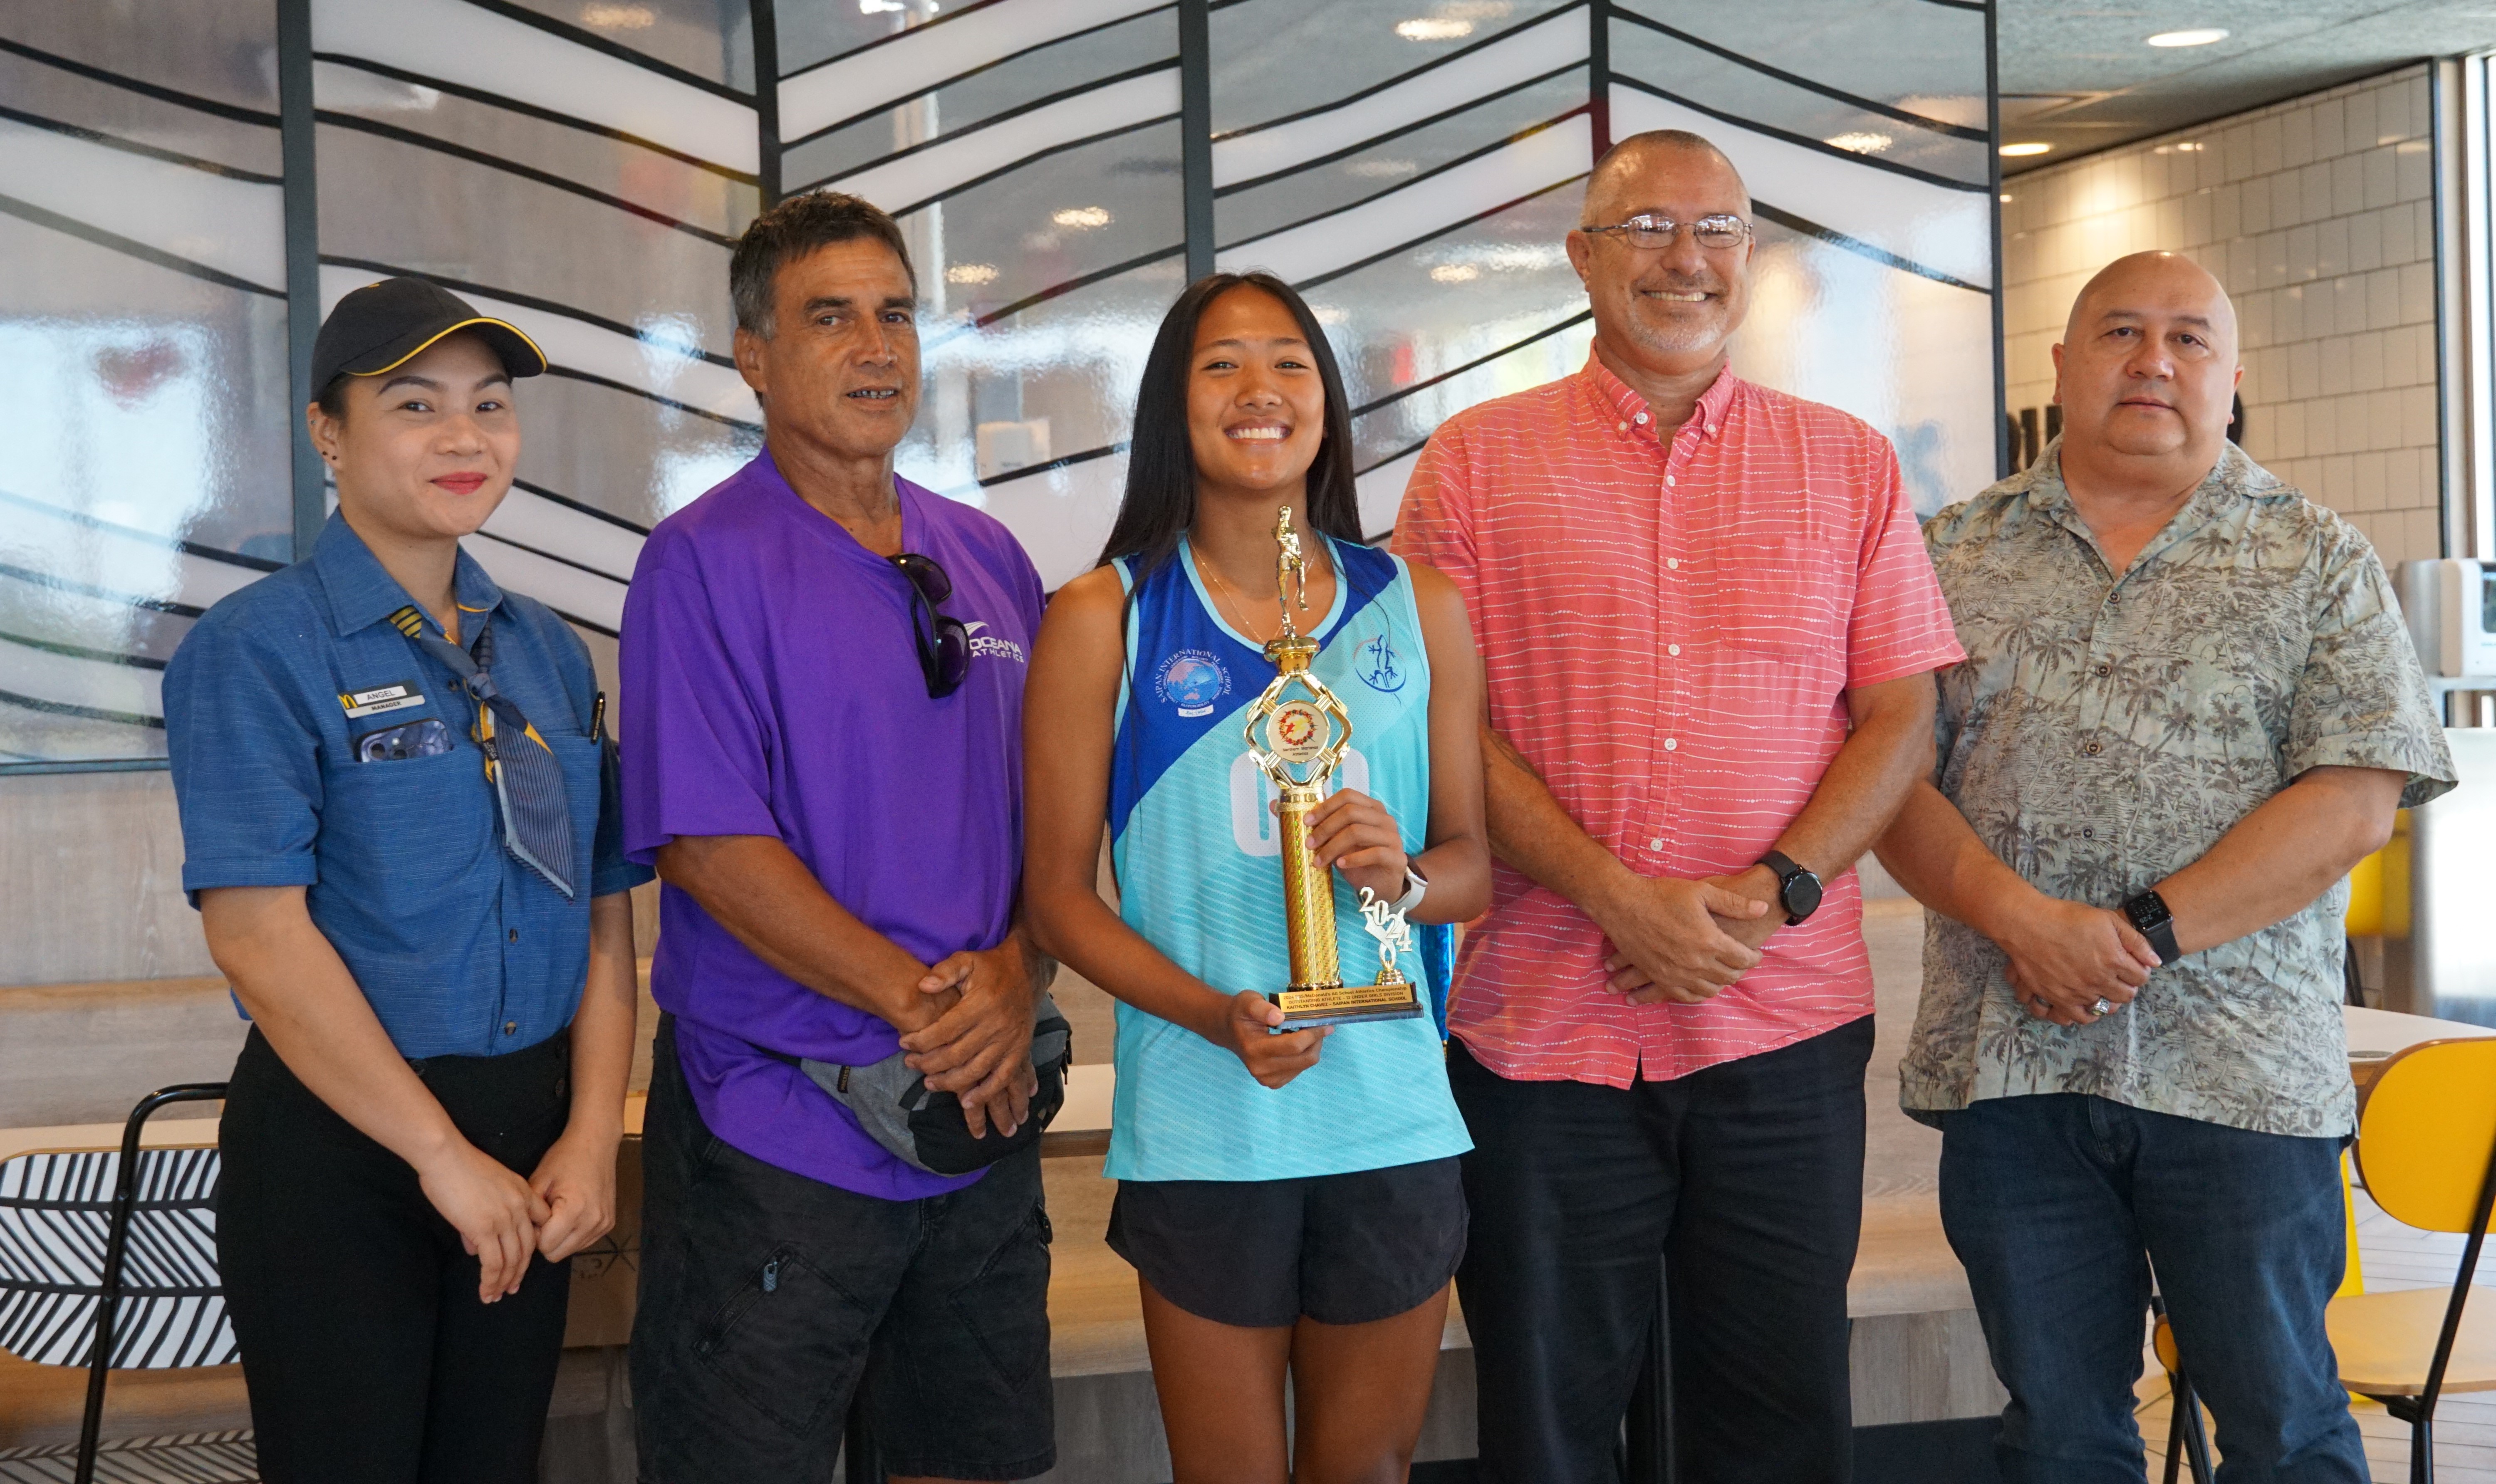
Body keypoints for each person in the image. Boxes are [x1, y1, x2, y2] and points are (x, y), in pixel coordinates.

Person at [1390, 129, 1968, 1482]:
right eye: (1645, 228)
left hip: (1781, 1021)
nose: (1684, 258)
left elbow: (1902, 714)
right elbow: (1433, 718)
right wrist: (1615, 898)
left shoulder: (1850, 464)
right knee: (1547, 1425)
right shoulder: (1473, 465)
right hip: (1538, 1026)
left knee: (1776, 1419)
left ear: (1751, 260)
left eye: (1715, 230)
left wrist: (1776, 895)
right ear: (1585, 258)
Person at [1878, 250, 2456, 1482]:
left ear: (2232, 377)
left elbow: (2355, 799)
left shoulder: (2317, 557)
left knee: (2288, 1432)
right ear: (2062, 364)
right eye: (2121, 332)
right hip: (2014, 1072)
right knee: (2060, 1439)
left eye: (2189, 339)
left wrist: (2134, 931)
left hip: (2242, 1079)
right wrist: (2027, 924)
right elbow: (1887, 784)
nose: (2154, 361)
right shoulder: (1946, 553)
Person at [163, 277, 647, 1483]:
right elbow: (260, 941)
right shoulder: (255, 647)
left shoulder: (542, 647)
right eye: (416, 404)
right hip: (347, 1153)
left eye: (490, 405)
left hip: (530, 1151)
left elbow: (599, 911)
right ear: (329, 433)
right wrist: (438, 1157)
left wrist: (590, 1134)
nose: (465, 437)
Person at [1023, 270, 1489, 1484]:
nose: (1260, 390)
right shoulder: (1104, 616)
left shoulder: (1420, 607)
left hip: (1390, 1112)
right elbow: (1059, 899)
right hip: (1204, 1121)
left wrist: (1401, 879)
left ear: (1328, 405)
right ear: (1173, 406)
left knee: (1366, 1472)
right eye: (1222, 364)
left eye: (1289, 362)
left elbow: (1473, 870)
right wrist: (1213, 1018)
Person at [620, 190, 1056, 1484]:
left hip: (979, 1121)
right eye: (831, 319)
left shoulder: (988, 558)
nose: (877, 348)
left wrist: (1020, 971)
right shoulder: (702, 563)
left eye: (896, 315)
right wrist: (936, 1008)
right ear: (754, 357)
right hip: (782, 1134)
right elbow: (705, 841)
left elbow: (1057, 820)